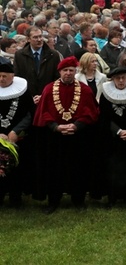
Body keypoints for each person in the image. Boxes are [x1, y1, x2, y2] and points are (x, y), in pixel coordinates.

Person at [33, 56, 99, 214]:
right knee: (54, 169)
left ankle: (78, 200)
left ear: (75, 72)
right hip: (55, 137)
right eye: (65, 70)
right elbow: (44, 112)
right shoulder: (49, 89)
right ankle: (53, 201)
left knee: (79, 168)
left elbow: (90, 112)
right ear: (60, 72)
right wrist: (56, 127)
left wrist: (76, 126)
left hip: (78, 136)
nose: (68, 73)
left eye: (71, 70)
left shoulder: (84, 89)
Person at [99, 66, 126, 207]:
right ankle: (112, 197)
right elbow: (104, 117)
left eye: (124, 77)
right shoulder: (105, 94)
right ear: (112, 79)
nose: (121, 80)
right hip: (113, 138)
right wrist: (118, 131)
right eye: (118, 78)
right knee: (113, 167)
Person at [0, 60, 33, 208]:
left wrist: (16, 130)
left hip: (18, 136)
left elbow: (29, 113)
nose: (1, 79)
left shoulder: (23, 91)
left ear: (12, 76)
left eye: (4, 76)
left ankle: (16, 197)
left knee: (17, 168)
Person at [13, 26, 61, 103]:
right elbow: (18, 77)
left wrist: (45, 95)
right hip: (27, 99)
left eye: (40, 36)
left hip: (47, 98)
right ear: (28, 39)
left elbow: (57, 77)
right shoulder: (20, 55)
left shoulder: (53, 55)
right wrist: (29, 97)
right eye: (35, 37)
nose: (39, 40)